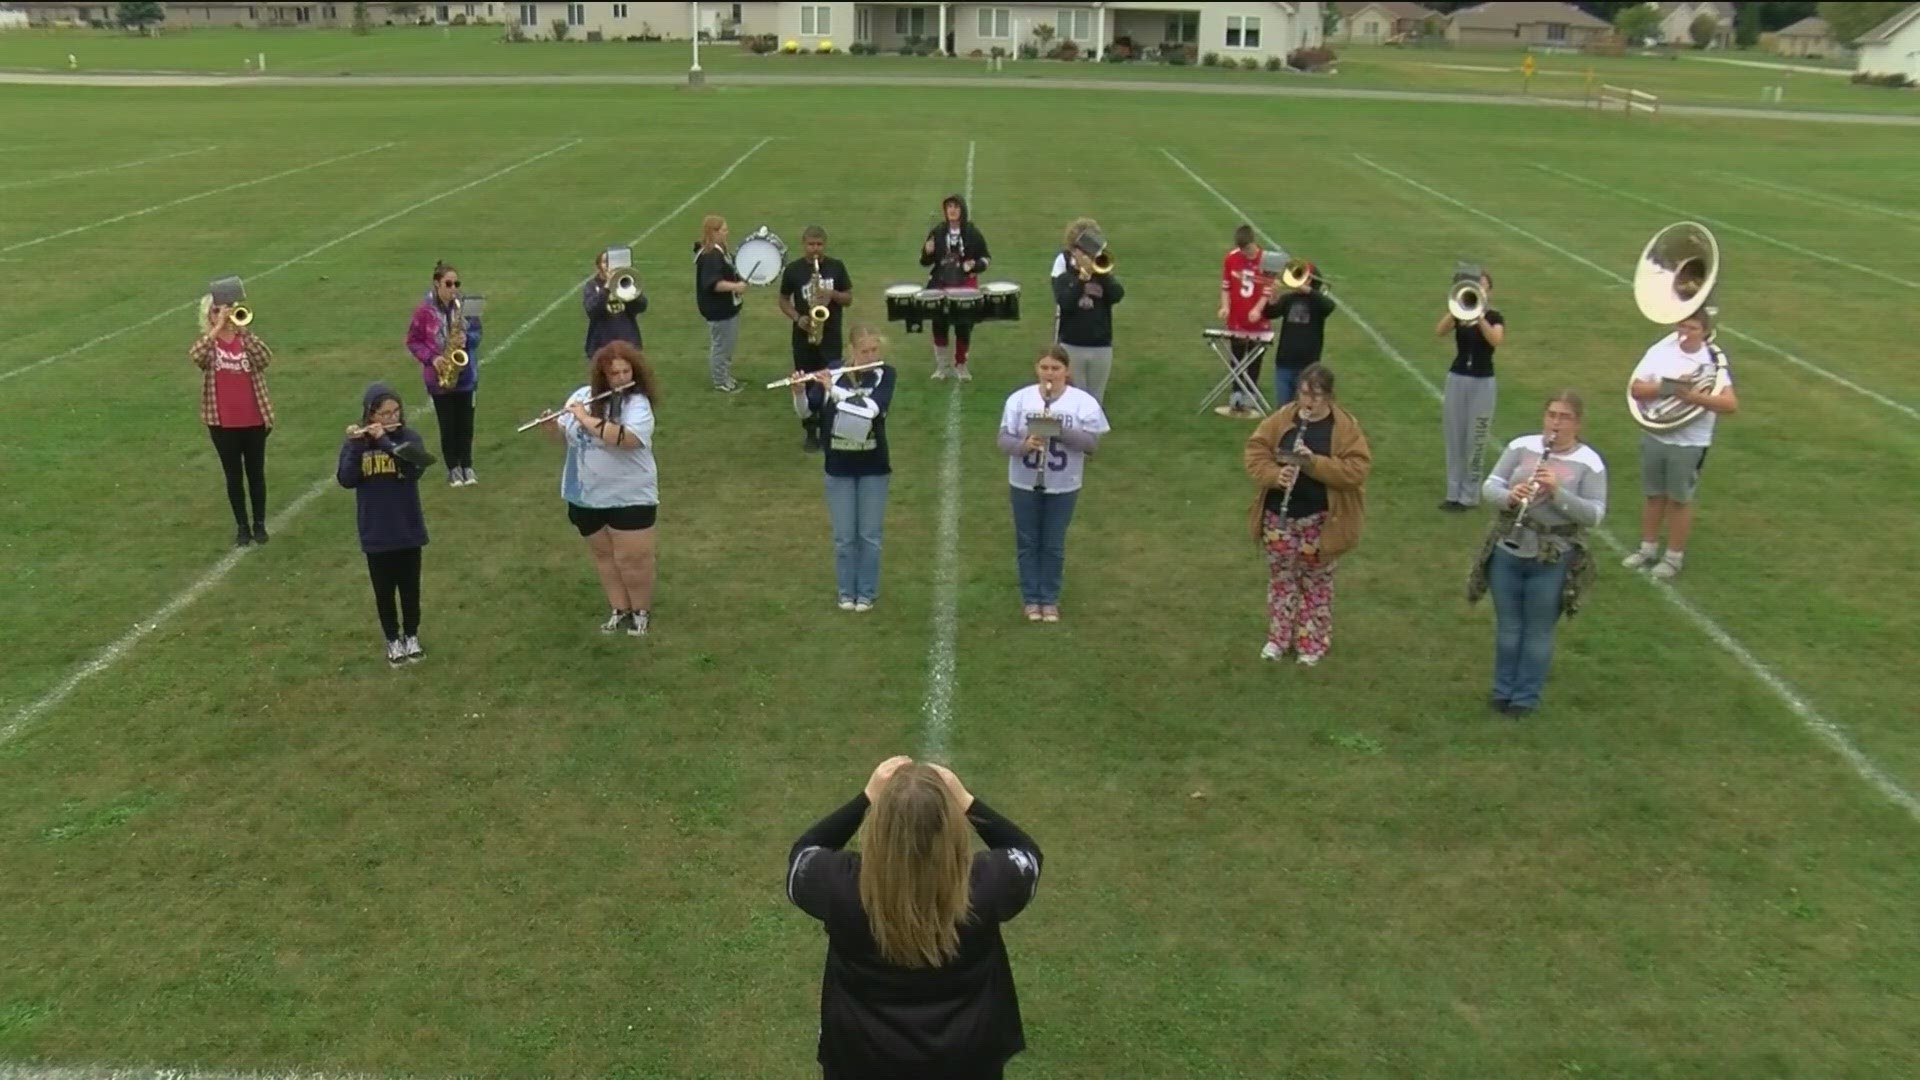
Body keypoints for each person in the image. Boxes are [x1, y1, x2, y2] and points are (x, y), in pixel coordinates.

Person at [787, 755, 1042, 1080]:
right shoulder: (989, 884)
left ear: (879, 827)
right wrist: (966, 801)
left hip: (861, 1058)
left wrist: (866, 797)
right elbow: (1027, 853)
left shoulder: (840, 886)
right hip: (967, 1059)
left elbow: (803, 854)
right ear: (951, 828)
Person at [1469, 391, 1607, 717]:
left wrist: (1558, 493)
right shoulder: (1522, 447)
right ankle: (1502, 691)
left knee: (1537, 631)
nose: (1556, 424)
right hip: (1510, 548)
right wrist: (1510, 497)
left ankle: (1525, 698)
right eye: (1551, 415)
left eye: (1564, 417)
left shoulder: (1590, 463)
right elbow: (1491, 485)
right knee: (1508, 627)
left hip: (1553, 556)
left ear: (1578, 423)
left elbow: (1595, 515)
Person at [1242, 364, 1372, 666]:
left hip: (1322, 520)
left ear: (1329, 396)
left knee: (1316, 583)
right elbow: (1255, 451)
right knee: (1282, 580)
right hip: (1280, 518)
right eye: (1304, 394)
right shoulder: (1281, 420)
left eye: (1316, 396)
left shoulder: (1344, 427)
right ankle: (1278, 639)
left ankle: (1311, 644)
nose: (1309, 402)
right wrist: (1276, 476)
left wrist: (1315, 463)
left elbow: (1357, 470)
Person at [538, 341, 661, 637]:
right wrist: (553, 427)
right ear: (602, 375)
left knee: (633, 559)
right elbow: (568, 438)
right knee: (604, 556)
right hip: (585, 495)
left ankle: (640, 612)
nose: (620, 378)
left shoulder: (638, 404)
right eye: (613, 373)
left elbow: (625, 438)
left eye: (625, 371)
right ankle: (619, 609)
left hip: (629, 496)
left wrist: (584, 417)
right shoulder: (581, 396)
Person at [997, 345, 1110, 623]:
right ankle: (1030, 599)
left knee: (1053, 543)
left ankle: (1049, 599)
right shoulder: (1019, 400)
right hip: (1024, 481)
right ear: (1037, 369)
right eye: (1045, 368)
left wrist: (1058, 430)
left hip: (1064, 482)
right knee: (1028, 541)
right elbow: (1003, 440)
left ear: (1066, 371)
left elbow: (1091, 444)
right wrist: (1025, 445)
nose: (1050, 373)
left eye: (1056, 368)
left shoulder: (1082, 402)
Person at [1623, 310, 1737, 580]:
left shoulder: (1713, 362)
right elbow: (1637, 389)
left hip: (1689, 442)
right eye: (1682, 325)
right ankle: (1647, 548)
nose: (1685, 332)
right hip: (1655, 434)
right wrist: (1670, 389)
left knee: (1678, 500)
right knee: (1653, 495)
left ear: (1705, 331)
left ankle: (1674, 557)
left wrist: (1696, 398)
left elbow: (1730, 404)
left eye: (1693, 327)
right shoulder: (1661, 350)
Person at [336, 382, 434, 667]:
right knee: (384, 592)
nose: (392, 418)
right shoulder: (357, 444)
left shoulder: (409, 438)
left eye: (395, 411)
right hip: (375, 531)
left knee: (410, 588)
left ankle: (412, 635)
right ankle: (393, 639)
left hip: (407, 528)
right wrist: (357, 446)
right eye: (385, 414)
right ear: (370, 416)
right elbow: (346, 479)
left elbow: (415, 468)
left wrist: (386, 443)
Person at [810, 326, 897, 612]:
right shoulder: (832, 371)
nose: (870, 356)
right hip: (838, 466)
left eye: (874, 350)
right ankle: (846, 592)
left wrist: (832, 389)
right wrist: (801, 390)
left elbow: (870, 408)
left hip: (874, 465)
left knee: (869, 536)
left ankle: (867, 594)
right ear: (851, 350)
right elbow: (806, 409)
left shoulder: (886, 374)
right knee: (844, 536)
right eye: (864, 351)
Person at [189, 288, 275, 548]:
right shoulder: (209, 344)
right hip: (222, 422)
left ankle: (259, 524)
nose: (223, 314)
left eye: (225, 309)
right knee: (233, 475)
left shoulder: (244, 338)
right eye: (217, 310)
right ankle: (242, 526)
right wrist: (215, 333)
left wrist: (242, 331)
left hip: (253, 418)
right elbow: (196, 356)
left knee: (256, 473)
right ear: (209, 315)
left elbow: (265, 358)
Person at [404, 260, 483, 486]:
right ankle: (453, 467)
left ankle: (468, 465)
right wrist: (433, 358)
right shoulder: (424, 311)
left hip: (466, 375)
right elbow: (413, 341)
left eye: (456, 283)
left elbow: (478, 334)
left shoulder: (468, 305)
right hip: (439, 376)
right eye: (448, 284)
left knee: (466, 424)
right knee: (447, 424)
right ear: (436, 284)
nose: (453, 289)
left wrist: (467, 339)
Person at [1435, 270, 1507, 511]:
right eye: (1477, 285)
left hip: (1483, 380)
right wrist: (1457, 308)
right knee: (1454, 436)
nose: (1480, 288)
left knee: (1475, 438)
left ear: (1490, 290)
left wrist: (1480, 316)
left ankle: (1470, 495)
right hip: (1457, 376)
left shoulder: (1495, 316)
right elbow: (1440, 331)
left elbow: (1496, 340)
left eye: (1484, 285)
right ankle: (1452, 492)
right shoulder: (1461, 310)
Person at [778, 225, 854, 451]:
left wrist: (832, 295)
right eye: (811, 245)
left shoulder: (836, 267)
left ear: (825, 245)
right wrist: (796, 317)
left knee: (829, 380)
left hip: (830, 336)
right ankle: (810, 431)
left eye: (819, 245)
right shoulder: (793, 270)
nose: (815, 250)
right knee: (807, 380)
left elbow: (848, 298)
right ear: (804, 245)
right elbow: (783, 299)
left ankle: (828, 425)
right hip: (803, 336)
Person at [1049, 217, 1125, 404]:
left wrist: (1101, 275)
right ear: (1075, 251)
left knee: (1095, 401)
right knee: (1075, 399)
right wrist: (1082, 277)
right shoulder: (1065, 277)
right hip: (1072, 344)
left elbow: (1117, 295)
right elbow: (1065, 302)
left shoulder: (1103, 274)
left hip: (1101, 345)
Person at [920, 193, 991, 381]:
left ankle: (961, 365)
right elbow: (925, 261)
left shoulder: (972, 234)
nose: (952, 210)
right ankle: (942, 366)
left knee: (963, 324)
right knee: (939, 323)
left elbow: (986, 258)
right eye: (949, 207)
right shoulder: (938, 232)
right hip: (941, 282)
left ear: (962, 210)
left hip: (964, 284)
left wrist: (974, 266)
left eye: (955, 207)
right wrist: (927, 252)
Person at [1255, 261, 1336, 408]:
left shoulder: (1317, 301)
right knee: (1283, 408)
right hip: (1284, 361)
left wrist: (1308, 291)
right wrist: (1273, 297)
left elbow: (1329, 306)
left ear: (1310, 280)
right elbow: (1269, 313)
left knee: (1305, 407)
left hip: (1308, 364)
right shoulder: (1289, 299)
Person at [1215, 224, 1273, 417]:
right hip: (1237, 317)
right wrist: (1225, 307)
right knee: (1237, 355)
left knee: (1255, 356)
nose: (1246, 253)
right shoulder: (1231, 258)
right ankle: (1237, 391)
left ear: (1253, 242)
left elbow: (1268, 289)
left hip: (1258, 319)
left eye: (1248, 249)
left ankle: (1251, 391)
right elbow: (1226, 287)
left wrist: (1258, 309)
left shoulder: (1266, 260)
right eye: (1243, 250)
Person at [693, 214, 747, 393]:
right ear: (714, 233)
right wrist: (736, 286)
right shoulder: (711, 256)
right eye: (724, 230)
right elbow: (713, 283)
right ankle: (720, 381)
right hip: (719, 309)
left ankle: (724, 376)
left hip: (727, 308)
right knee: (721, 346)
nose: (727, 233)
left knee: (727, 344)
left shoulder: (719, 251)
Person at [582, 245, 647, 370]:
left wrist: (632, 294)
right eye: (605, 262)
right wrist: (606, 288)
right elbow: (592, 311)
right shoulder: (592, 286)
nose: (609, 265)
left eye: (611, 262)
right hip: (601, 345)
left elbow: (642, 307)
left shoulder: (626, 281)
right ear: (598, 266)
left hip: (628, 341)